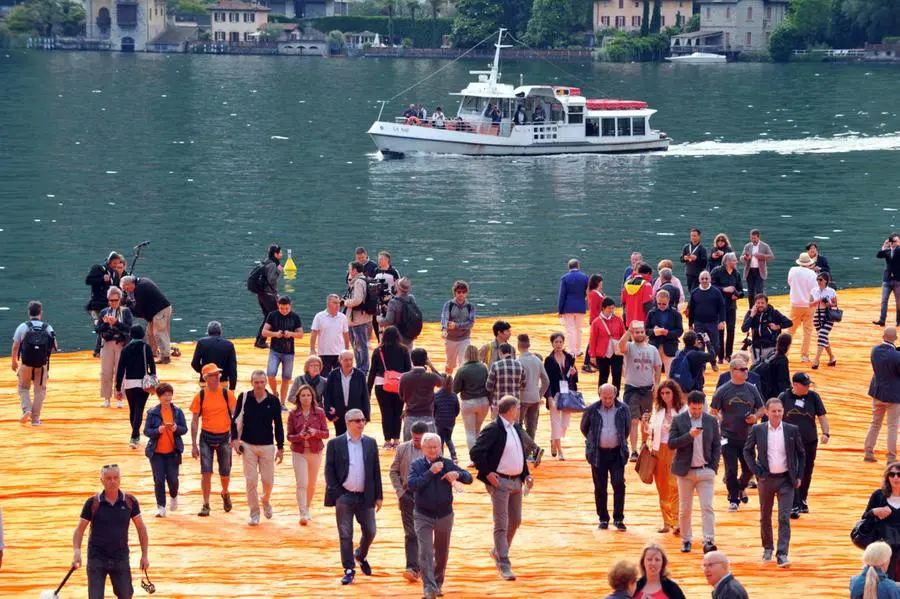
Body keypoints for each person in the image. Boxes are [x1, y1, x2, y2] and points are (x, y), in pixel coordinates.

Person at [470, 396, 533, 581]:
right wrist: (488, 472)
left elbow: (519, 453)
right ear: (510, 410)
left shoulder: (515, 427)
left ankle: (498, 551)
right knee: (502, 523)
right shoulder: (493, 429)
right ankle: (504, 562)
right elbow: (476, 452)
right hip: (500, 483)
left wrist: (526, 474)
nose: (519, 410)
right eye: (518, 407)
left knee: (516, 520)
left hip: (516, 482)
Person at [407, 432, 473, 599]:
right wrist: (430, 472)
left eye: (436, 446)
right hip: (423, 515)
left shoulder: (447, 463)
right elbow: (413, 485)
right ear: (422, 448)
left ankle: (437, 582)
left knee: (442, 553)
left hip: (444, 514)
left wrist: (457, 475)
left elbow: (469, 477)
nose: (433, 450)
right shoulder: (417, 465)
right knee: (426, 551)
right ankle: (428, 588)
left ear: (441, 447)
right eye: (429, 447)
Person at [743, 397, 806, 567]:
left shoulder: (792, 430)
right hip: (766, 479)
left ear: (783, 411)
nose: (777, 414)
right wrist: (756, 471)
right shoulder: (758, 430)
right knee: (765, 516)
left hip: (786, 479)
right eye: (773, 411)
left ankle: (782, 553)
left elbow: (801, 454)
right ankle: (767, 548)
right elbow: (747, 451)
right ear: (766, 412)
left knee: (784, 517)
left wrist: (799, 476)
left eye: (779, 411)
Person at [324, 408, 383, 586]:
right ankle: (349, 569)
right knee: (345, 533)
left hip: (365, 496)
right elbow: (329, 470)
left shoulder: (371, 443)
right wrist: (338, 492)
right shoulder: (335, 444)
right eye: (357, 421)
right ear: (348, 423)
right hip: (345, 496)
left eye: (363, 420)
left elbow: (375, 471)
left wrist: (378, 496)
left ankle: (361, 555)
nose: (361, 423)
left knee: (371, 531)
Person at [72, 464, 149, 599]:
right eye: (108, 478)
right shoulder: (92, 503)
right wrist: (77, 551)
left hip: (120, 557)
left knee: (126, 595)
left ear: (120, 479)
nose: (112, 481)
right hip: (97, 558)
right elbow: (79, 530)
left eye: (115, 477)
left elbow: (141, 528)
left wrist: (144, 555)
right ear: (102, 481)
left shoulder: (130, 502)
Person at [669, 390, 721, 554]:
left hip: (705, 471)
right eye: (693, 409)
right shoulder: (679, 420)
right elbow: (671, 444)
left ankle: (709, 540)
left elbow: (717, 445)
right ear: (688, 405)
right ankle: (686, 540)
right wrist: (689, 436)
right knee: (685, 509)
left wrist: (713, 467)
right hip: (685, 472)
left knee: (707, 507)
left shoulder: (711, 421)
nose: (697, 412)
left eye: (699, 408)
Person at [232, 370, 285, 526]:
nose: (259, 385)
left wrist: (280, 448)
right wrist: (235, 440)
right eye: (256, 382)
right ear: (252, 383)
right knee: (251, 481)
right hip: (248, 445)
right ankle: (254, 513)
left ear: (266, 383)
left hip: (268, 446)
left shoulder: (274, 401)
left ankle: (265, 499)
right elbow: (235, 419)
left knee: (268, 481)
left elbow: (279, 426)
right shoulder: (244, 398)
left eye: (262, 382)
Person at [711, 358, 764, 511]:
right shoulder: (723, 390)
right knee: (731, 469)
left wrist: (755, 417)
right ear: (733, 371)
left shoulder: (751, 389)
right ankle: (733, 499)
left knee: (749, 469)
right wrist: (719, 420)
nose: (746, 371)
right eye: (742, 369)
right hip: (727, 436)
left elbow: (762, 408)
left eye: (746, 369)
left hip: (747, 437)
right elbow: (712, 412)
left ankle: (740, 487)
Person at [189, 363, 237, 517]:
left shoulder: (227, 394)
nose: (217, 377)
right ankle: (206, 503)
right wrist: (194, 444)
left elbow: (236, 417)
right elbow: (195, 420)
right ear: (206, 378)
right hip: (206, 438)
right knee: (206, 472)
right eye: (213, 375)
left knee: (225, 472)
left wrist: (236, 438)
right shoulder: (200, 396)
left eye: (218, 375)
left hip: (224, 437)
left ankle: (225, 491)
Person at [779, 372, 829, 518]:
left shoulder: (813, 397)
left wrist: (826, 433)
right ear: (795, 385)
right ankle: (793, 503)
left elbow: (822, 416)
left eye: (809, 384)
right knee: (792, 470)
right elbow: (776, 416)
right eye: (805, 385)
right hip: (790, 442)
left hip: (809, 441)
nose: (808, 387)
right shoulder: (784, 397)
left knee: (806, 470)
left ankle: (802, 499)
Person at [582, 383, 631, 531]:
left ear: (615, 395)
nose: (608, 401)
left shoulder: (623, 409)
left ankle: (618, 518)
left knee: (618, 484)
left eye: (611, 398)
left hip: (617, 453)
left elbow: (627, 429)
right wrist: (594, 442)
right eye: (605, 398)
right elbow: (584, 428)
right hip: (598, 454)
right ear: (600, 396)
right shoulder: (592, 409)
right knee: (600, 487)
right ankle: (603, 518)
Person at [643, 381, 685, 534]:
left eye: (668, 393)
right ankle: (667, 522)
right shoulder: (658, 410)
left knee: (674, 486)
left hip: (676, 450)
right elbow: (652, 430)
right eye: (662, 393)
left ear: (674, 393)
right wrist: (646, 427)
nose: (665, 396)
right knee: (662, 487)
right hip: (658, 450)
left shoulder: (683, 410)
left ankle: (677, 521)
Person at [389, 421, 428, 583]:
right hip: (407, 496)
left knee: (425, 533)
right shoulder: (403, 448)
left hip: (428, 497)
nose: (417, 442)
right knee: (411, 533)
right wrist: (400, 492)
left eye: (420, 439)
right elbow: (393, 471)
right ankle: (412, 567)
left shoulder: (433, 448)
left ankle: (426, 566)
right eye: (414, 438)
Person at [618, 321, 662, 459]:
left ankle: (644, 445)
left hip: (648, 389)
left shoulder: (652, 350)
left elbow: (658, 366)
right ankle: (634, 450)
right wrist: (628, 331)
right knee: (633, 420)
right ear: (633, 334)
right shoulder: (630, 347)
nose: (639, 334)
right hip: (632, 389)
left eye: (641, 332)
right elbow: (620, 346)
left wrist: (657, 383)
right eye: (637, 332)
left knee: (645, 419)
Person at [287, 383, 329, 525]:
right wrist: (300, 436)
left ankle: (307, 507)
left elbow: (326, 433)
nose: (306, 398)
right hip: (299, 452)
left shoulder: (320, 412)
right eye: (303, 395)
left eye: (308, 395)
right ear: (299, 398)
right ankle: (303, 511)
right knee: (302, 483)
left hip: (315, 451)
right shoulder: (293, 414)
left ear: (313, 397)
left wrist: (315, 433)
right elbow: (289, 436)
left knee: (311, 483)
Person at [10, 300, 57, 426]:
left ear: (28, 313)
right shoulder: (48, 327)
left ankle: (27, 409)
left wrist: (14, 361)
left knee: (23, 388)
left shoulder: (23, 327)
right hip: (41, 365)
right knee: (39, 391)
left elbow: (15, 346)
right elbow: (54, 346)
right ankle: (35, 419)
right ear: (40, 312)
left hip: (26, 363)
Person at [143, 383, 187, 518]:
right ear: (159, 397)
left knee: (173, 479)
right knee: (159, 480)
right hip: (156, 453)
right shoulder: (153, 413)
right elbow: (146, 431)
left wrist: (176, 429)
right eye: (165, 395)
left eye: (169, 394)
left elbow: (184, 429)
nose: (167, 398)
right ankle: (161, 506)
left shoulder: (178, 412)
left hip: (172, 452)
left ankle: (174, 496)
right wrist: (158, 430)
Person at [367, 325, 412, 448]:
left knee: (385, 412)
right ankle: (396, 440)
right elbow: (408, 369)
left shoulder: (378, 351)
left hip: (382, 385)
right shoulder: (403, 350)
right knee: (398, 412)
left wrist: (368, 389)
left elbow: (372, 371)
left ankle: (387, 440)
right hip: (399, 385)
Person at [864, 327, 900, 463]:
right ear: (895, 339)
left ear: (883, 336)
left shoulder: (874, 351)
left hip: (878, 392)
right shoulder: (897, 356)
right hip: (894, 395)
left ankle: (868, 451)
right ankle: (891, 457)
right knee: (892, 426)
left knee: (875, 423)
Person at [115, 325, 155, 447]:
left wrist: (118, 388)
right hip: (143, 383)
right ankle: (134, 435)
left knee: (132, 410)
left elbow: (120, 370)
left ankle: (135, 435)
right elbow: (152, 366)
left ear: (131, 335)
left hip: (129, 384)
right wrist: (153, 377)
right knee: (139, 409)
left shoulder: (126, 349)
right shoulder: (145, 347)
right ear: (142, 335)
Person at [262, 295, 304, 408]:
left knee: (286, 378)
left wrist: (291, 334)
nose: (284, 311)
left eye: (286, 308)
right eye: (281, 308)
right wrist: (275, 334)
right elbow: (264, 332)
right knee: (270, 374)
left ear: (290, 306)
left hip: (289, 351)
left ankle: (282, 403)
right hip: (275, 350)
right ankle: (275, 394)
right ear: (278, 306)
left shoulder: (295, 317)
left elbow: (301, 334)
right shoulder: (272, 315)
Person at [120, 275, 173, 364]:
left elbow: (138, 310)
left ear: (130, 283)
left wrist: (128, 304)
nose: (127, 291)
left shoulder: (140, 289)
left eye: (126, 288)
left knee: (159, 333)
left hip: (160, 311)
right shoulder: (142, 282)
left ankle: (165, 356)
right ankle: (152, 353)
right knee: (150, 332)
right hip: (157, 311)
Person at [543, 332, 578, 460]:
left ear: (563, 343)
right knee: (555, 423)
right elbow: (546, 380)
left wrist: (574, 373)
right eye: (556, 342)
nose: (558, 344)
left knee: (564, 424)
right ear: (552, 343)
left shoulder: (569, 357)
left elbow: (574, 377)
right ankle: (560, 451)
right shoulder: (549, 360)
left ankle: (553, 440)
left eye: (560, 342)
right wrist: (549, 397)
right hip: (555, 394)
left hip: (567, 393)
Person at [96, 287, 133, 410]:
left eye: (115, 300)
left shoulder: (126, 312)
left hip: (121, 344)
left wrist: (116, 323)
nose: (113, 302)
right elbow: (97, 330)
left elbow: (129, 328)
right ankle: (106, 398)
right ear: (108, 300)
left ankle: (120, 398)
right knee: (106, 372)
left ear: (120, 299)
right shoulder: (104, 312)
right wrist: (106, 323)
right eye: (111, 300)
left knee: (120, 372)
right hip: (107, 343)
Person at [862, 464, 900, 580]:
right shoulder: (878, 495)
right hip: (882, 547)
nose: (895, 478)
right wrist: (874, 511)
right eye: (892, 474)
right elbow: (864, 519)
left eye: (899, 475)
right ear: (887, 477)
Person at [454, 344, 490, 465]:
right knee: (478, 430)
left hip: (469, 402)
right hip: (484, 401)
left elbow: (455, 389)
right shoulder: (484, 367)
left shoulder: (462, 369)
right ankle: (481, 456)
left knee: (470, 432)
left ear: (466, 355)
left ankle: (474, 459)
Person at [85, 251, 125, 357]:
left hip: (108, 306)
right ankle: (99, 350)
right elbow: (88, 280)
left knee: (106, 327)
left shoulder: (114, 274)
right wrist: (101, 279)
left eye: (118, 263)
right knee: (100, 326)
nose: (116, 265)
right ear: (110, 261)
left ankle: (99, 350)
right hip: (96, 305)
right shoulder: (98, 268)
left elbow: (116, 288)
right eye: (115, 263)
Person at [399, 348, 444, 440]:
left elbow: (401, 396)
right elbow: (443, 382)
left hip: (410, 416)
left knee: (409, 449)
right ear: (426, 361)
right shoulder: (431, 377)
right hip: (427, 417)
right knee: (431, 448)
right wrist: (432, 367)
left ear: (412, 360)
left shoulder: (404, 377)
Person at [324, 350, 370, 437]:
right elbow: (327, 396)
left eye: (351, 360)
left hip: (355, 414)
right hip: (338, 415)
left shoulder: (360, 375)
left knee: (355, 437)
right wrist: (330, 414)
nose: (349, 362)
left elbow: (365, 397)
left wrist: (366, 416)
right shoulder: (333, 375)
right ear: (340, 361)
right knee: (340, 439)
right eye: (346, 360)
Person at [517, 333, 549, 456]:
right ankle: (529, 454)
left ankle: (532, 449)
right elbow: (546, 381)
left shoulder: (519, 361)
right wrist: (539, 394)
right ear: (529, 345)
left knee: (517, 426)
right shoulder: (537, 360)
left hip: (522, 398)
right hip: (535, 398)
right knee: (532, 426)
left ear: (519, 346)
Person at [710, 253, 744, 363]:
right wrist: (724, 289)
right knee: (720, 330)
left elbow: (741, 291)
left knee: (731, 330)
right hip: (719, 306)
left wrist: (737, 295)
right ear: (727, 261)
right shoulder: (716, 271)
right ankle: (720, 356)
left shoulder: (736, 274)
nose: (736, 262)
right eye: (734, 260)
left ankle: (728, 355)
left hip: (731, 306)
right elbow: (711, 286)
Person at [741, 294, 792, 362]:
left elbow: (789, 322)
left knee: (769, 369)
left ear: (766, 303)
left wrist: (777, 327)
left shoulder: (774, 313)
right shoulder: (751, 313)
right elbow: (744, 329)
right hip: (756, 348)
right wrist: (751, 316)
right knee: (755, 370)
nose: (760, 305)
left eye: (762, 303)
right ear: (755, 304)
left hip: (771, 347)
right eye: (758, 303)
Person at [788, 252, 819, 363]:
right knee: (807, 331)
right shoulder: (813, 275)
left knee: (790, 330)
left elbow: (790, 283)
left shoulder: (792, 270)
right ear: (809, 263)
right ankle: (804, 356)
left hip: (795, 304)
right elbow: (815, 290)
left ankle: (784, 352)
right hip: (809, 305)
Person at [687, 270, 726, 360]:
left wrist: (722, 321)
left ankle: (712, 361)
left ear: (710, 280)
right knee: (700, 346)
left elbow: (721, 307)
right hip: (699, 323)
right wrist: (690, 324)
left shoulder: (716, 292)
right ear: (699, 280)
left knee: (715, 345)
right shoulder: (695, 292)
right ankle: (702, 366)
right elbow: (691, 309)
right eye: (702, 278)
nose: (704, 280)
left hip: (713, 323)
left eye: (706, 278)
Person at [591, 297, 626, 392]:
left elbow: (623, 334)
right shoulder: (596, 322)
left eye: (612, 308)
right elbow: (593, 339)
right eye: (609, 308)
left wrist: (625, 349)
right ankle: (601, 396)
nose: (611, 310)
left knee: (617, 374)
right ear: (603, 308)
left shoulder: (618, 320)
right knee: (603, 375)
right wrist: (592, 355)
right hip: (602, 353)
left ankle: (616, 395)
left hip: (616, 352)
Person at [310, 294, 351, 375]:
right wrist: (312, 349)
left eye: (338, 303)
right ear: (328, 304)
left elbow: (346, 334)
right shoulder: (319, 316)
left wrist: (346, 349)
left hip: (339, 353)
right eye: (335, 303)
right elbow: (314, 333)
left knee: (340, 377)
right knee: (324, 377)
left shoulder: (343, 317)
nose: (338, 305)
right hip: (324, 353)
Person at [344, 261, 373, 376]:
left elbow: (357, 300)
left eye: (349, 268)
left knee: (361, 345)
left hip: (358, 319)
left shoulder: (359, 282)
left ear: (355, 270)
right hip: (359, 318)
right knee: (358, 344)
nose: (348, 271)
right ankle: (361, 366)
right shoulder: (360, 280)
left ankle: (363, 368)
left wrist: (346, 302)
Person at [190, 321, 237, 391]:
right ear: (220, 332)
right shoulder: (229, 345)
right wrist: (232, 388)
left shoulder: (202, 342)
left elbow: (194, 363)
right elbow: (233, 369)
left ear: (208, 332)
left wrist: (204, 372)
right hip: (222, 381)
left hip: (205, 381)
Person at [441, 280, 476, 374]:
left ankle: (461, 386)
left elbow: (471, 323)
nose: (461, 294)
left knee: (463, 363)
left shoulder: (470, 306)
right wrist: (444, 329)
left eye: (464, 292)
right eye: (459, 292)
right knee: (450, 365)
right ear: (454, 292)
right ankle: (447, 383)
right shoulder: (449, 305)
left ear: (467, 293)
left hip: (464, 338)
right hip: (450, 339)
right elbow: (444, 318)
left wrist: (456, 325)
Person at [646, 289, 683, 373]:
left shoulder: (676, 314)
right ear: (656, 300)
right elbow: (646, 330)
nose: (661, 305)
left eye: (664, 304)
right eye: (659, 303)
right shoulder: (651, 313)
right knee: (652, 374)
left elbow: (680, 331)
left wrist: (668, 333)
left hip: (670, 346)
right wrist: (654, 332)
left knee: (670, 374)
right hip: (655, 345)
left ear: (668, 300)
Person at [253, 244, 283, 349]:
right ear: (275, 254)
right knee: (275, 317)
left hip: (262, 294)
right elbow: (271, 280)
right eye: (280, 252)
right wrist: (279, 271)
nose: (282, 254)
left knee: (267, 317)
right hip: (268, 295)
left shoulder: (266, 262)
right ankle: (275, 341)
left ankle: (260, 341)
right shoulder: (272, 265)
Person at [558, 259, 590, 356]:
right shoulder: (585, 277)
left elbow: (562, 295)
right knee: (578, 329)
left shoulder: (564, 278)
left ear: (569, 267)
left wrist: (560, 309)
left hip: (568, 307)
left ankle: (571, 351)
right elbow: (587, 292)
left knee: (570, 330)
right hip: (580, 306)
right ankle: (578, 350)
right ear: (578, 266)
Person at [486, 343, 525, 419]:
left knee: (497, 430)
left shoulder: (496, 365)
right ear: (510, 352)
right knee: (512, 429)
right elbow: (523, 385)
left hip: (498, 404)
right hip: (514, 405)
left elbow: (488, 387)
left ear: (500, 353)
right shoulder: (519, 365)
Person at [380, 277, 421, 347]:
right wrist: (390, 310)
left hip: (398, 336)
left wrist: (379, 320)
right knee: (408, 354)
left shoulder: (393, 302)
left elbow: (388, 321)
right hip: (410, 334)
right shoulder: (411, 298)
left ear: (398, 288)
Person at [811, 272, 839, 369]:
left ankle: (816, 360)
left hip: (827, 315)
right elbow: (810, 304)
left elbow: (835, 304)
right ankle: (832, 357)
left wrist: (828, 303)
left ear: (826, 281)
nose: (818, 282)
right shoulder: (814, 290)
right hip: (817, 315)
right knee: (823, 338)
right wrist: (819, 300)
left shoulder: (831, 291)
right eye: (817, 280)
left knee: (822, 336)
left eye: (820, 280)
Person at [741, 229, 775, 307]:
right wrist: (746, 258)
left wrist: (761, 256)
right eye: (752, 238)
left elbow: (771, 256)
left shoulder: (764, 246)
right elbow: (741, 258)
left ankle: (761, 307)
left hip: (760, 271)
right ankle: (751, 308)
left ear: (758, 237)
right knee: (750, 292)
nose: (753, 240)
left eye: (754, 238)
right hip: (749, 271)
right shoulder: (748, 246)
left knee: (759, 291)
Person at [875, 233, 900, 327]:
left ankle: (899, 321)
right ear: (891, 242)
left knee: (899, 302)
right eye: (894, 241)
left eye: (897, 241)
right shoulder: (887, 251)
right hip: (887, 279)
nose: (896, 243)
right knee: (884, 300)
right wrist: (884, 246)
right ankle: (882, 320)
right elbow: (879, 255)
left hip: (898, 280)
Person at [434, 375, 460, 463]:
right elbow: (457, 410)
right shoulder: (454, 395)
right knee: (448, 439)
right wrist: (453, 417)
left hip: (440, 421)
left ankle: (440, 457)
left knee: (440, 440)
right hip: (450, 421)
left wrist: (435, 418)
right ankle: (454, 456)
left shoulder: (436, 395)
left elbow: (434, 409)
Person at [583, 273, 605, 372]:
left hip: (596, 319)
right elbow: (595, 309)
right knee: (593, 341)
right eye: (601, 282)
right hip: (597, 320)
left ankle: (591, 362)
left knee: (594, 341)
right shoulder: (595, 294)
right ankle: (587, 363)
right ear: (598, 282)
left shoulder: (593, 293)